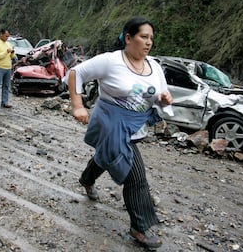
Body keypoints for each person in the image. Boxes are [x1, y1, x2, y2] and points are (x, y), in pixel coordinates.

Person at [68, 17, 173, 250]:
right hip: (111, 122)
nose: (148, 43)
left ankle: (87, 179)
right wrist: (77, 105)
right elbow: (76, 73)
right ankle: (140, 227)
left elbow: (161, 98)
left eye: (151, 38)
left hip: (136, 124)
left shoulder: (154, 66)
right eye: (143, 37)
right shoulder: (111, 61)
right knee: (136, 175)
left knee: (106, 156)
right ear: (128, 37)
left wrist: (165, 100)